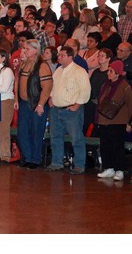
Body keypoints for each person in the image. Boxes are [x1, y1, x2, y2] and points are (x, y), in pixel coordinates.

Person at [46, 46, 91, 174]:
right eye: (59, 55)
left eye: (62, 55)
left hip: (71, 110)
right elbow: (53, 86)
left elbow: (85, 90)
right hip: (56, 109)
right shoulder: (58, 70)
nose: (59, 57)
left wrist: (77, 105)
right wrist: (51, 97)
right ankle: (56, 162)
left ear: (70, 57)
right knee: (55, 137)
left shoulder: (79, 71)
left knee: (76, 138)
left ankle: (79, 165)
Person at [15, 40, 53, 169]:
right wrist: (16, 99)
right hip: (24, 103)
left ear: (35, 50)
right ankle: (27, 157)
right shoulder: (24, 64)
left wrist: (41, 104)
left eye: (27, 48)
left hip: (36, 103)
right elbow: (17, 83)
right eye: (24, 48)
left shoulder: (42, 66)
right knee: (22, 132)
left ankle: (35, 160)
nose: (24, 50)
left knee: (36, 132)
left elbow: (47, 87)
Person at [96, 60, 132, 181]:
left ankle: (119, 170)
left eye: (111, 71)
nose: (108, 73)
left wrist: (128, 122)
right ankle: (108, 168)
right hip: (104, 120)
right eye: (108, 70)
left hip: (118, 121)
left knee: (117, 146)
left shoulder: (124, 86)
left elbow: (131, 105)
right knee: (105, 145)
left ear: (117, 73)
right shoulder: (105, 84)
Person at [85, 48, 113, 137]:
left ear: (108, 58)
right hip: (90, 102)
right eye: (99, 55)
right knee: (85, 125)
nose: (99, 58)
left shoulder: (110, 73)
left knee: (97, 128)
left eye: (102, 56)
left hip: (101, 104)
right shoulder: (96, 71)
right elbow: (90, 85)